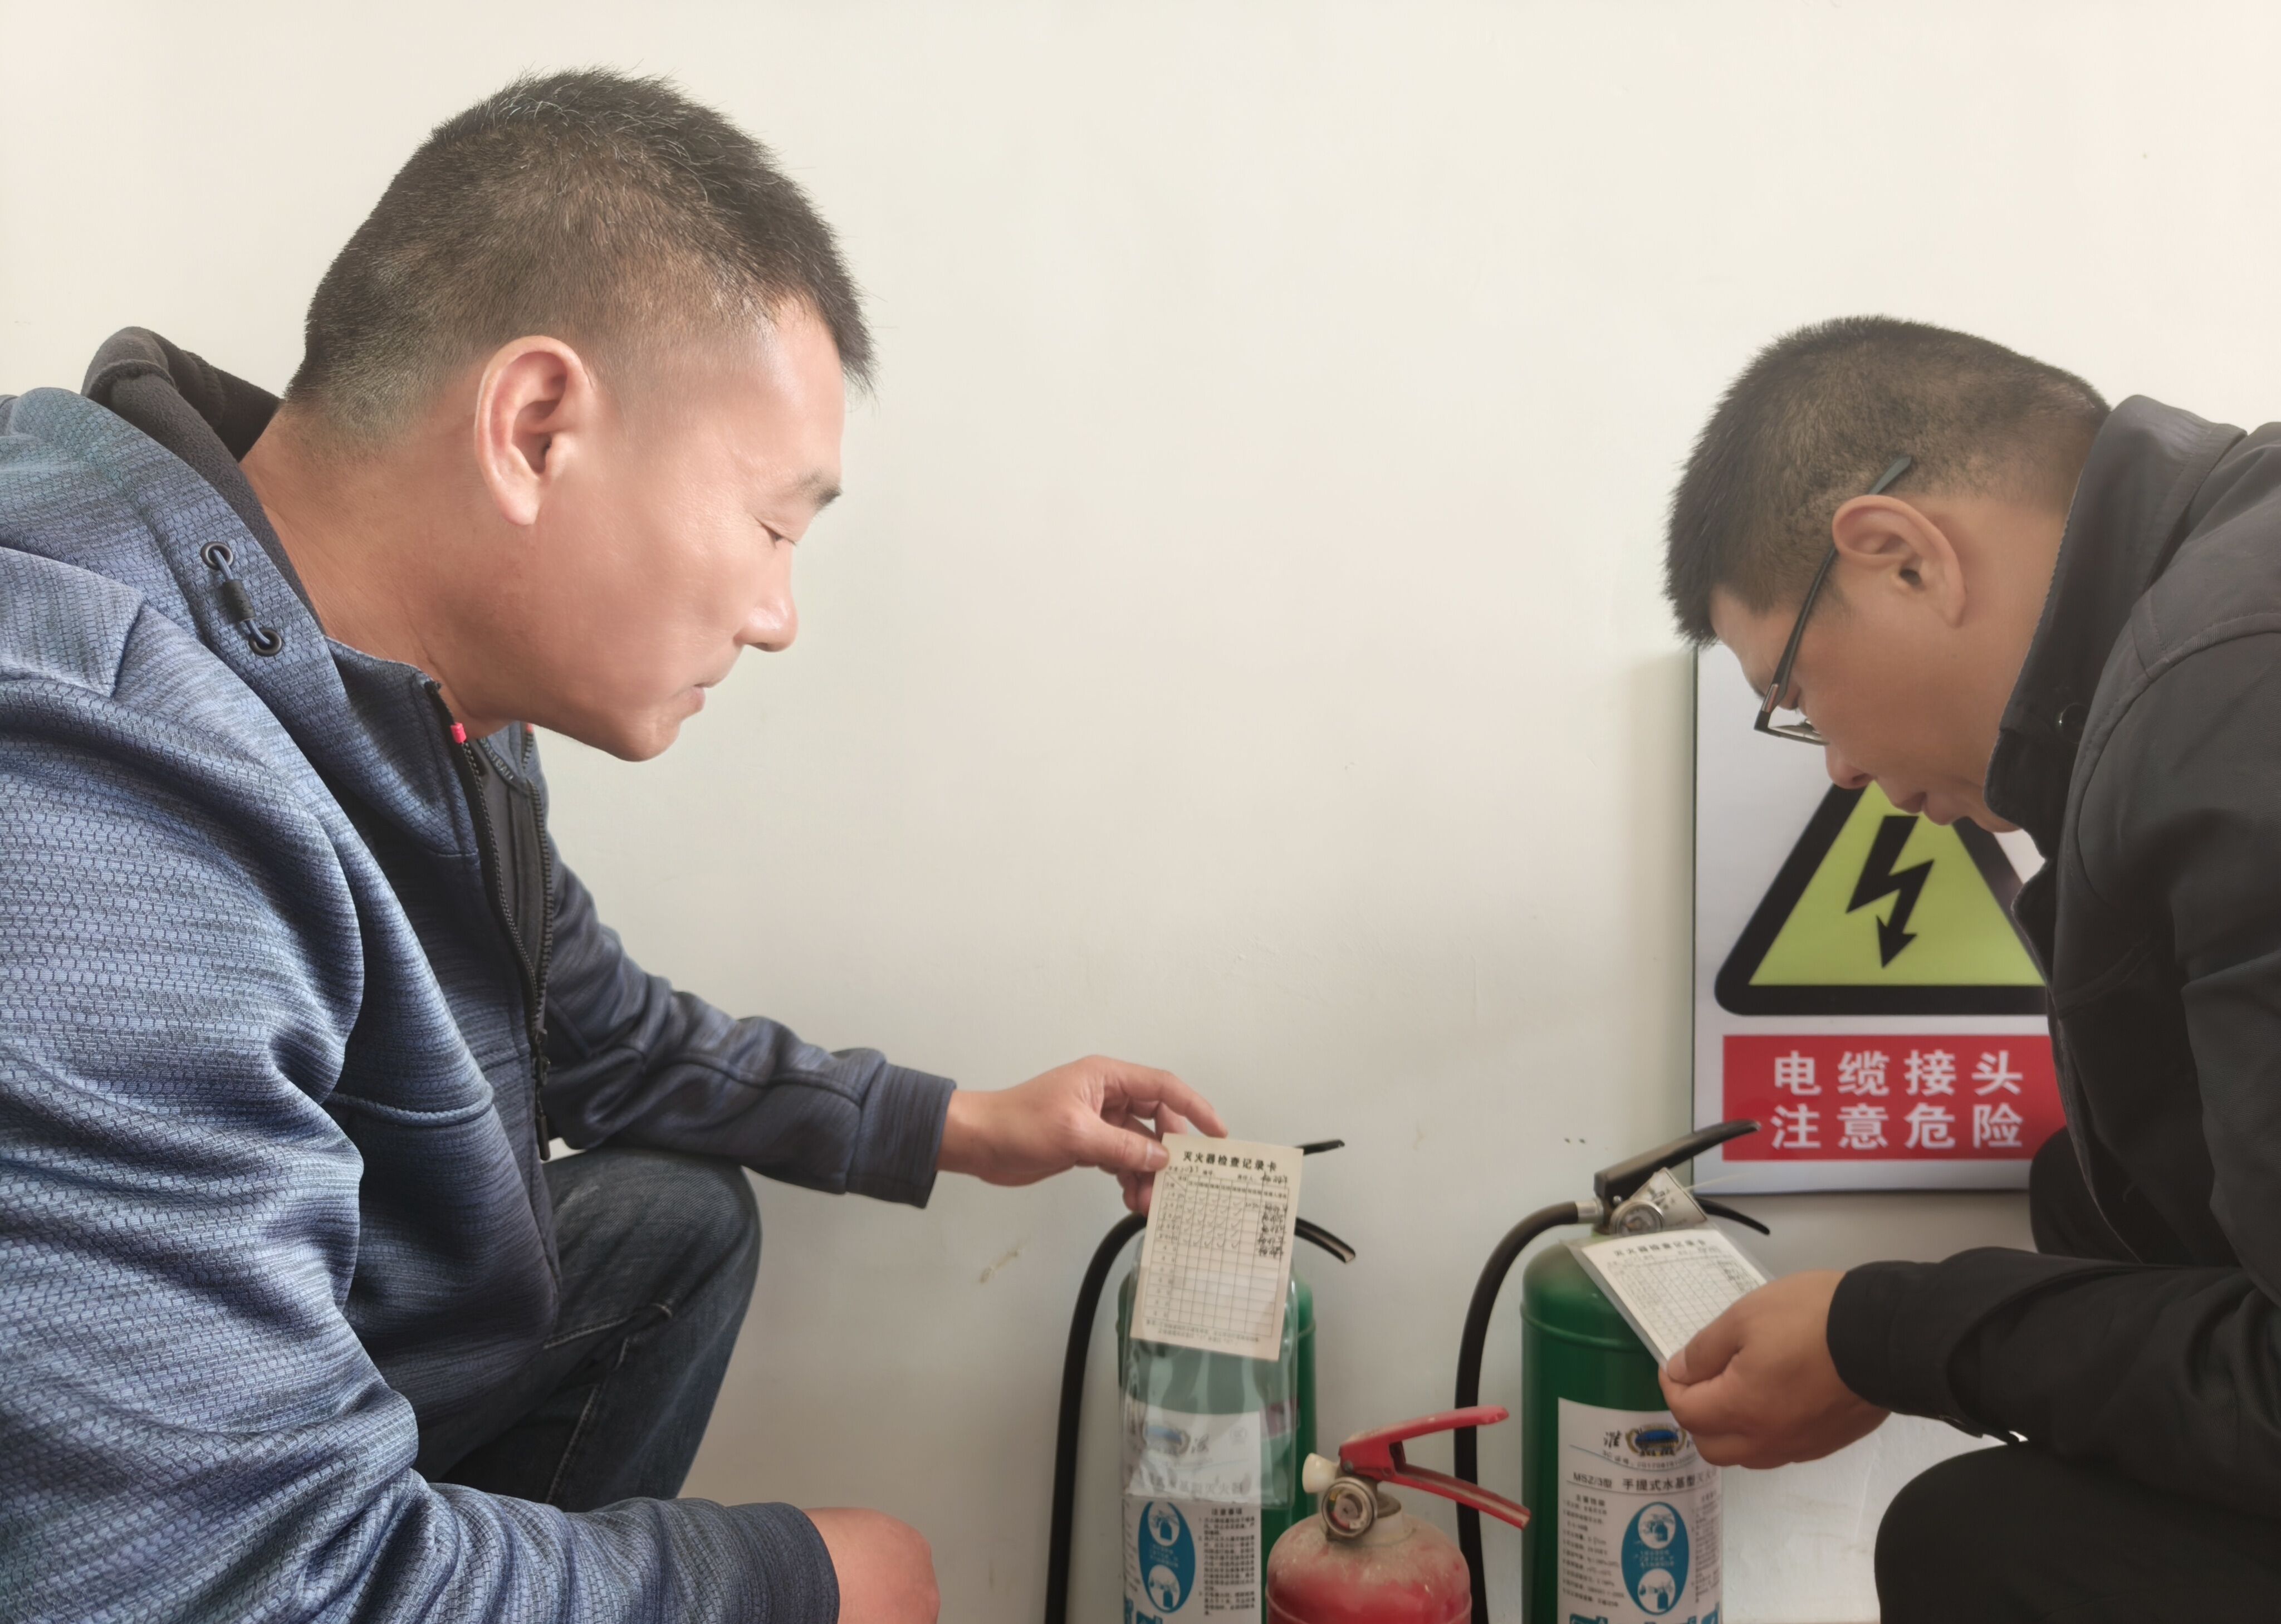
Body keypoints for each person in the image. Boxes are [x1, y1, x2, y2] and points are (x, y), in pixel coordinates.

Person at [0, 71, 1226, 1624]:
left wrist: (969, 1124)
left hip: (242, 1393)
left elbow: (602, 1034)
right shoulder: (89, 773)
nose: (777, 615)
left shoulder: (409, 689)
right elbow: (211, 1583)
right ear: (535, 427)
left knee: (671, 1224)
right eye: (774, 526)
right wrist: (800, 1585)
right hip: (162, 1555)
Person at [1656, 316, 2281, 1617]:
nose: (1835, 769)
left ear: (1901, 557)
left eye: (1793, 695)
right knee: (2082, 1209)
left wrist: (1890, 1332)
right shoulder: (2226, 588)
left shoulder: (2226, 696)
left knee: (1982, 1545)